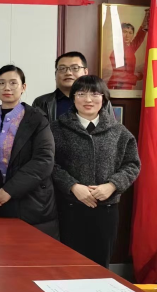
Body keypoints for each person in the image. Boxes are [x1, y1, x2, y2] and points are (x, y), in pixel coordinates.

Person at [51, 75, 140, 267]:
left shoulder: (119, 131)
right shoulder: (56, 129)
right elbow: (50, 164)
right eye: (81, 94)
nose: (88, 100)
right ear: (73, 98)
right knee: (68, 266)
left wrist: (112, 185)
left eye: (95, 94)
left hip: (106, 209)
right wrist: (72, 186)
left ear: (104, 98)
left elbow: (132, 164)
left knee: (100, 266)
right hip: (69, 207)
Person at [0, 65, 59, 238]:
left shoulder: (37, 120)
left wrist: (9, 190)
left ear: (23, 87)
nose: (7, 87)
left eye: (13, 83)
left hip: (29, 201)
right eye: (1, 83)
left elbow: (44, 160)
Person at [33, 51, 113, 122]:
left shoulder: (100, 100)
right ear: (55, 74)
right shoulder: (41, 102)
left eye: (75, 68)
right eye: (62, 68)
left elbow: (111, 130)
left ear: (85, 72)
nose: (68, 73)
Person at [107, 15, 148, 90]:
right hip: (117, 86)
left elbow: (139, 37)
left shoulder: (130, 47)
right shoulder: (117, 51)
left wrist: (147, 17)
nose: (127, 35)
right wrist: (137, 76)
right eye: (125, 32)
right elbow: (120, 75)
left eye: (130, 33)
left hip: (127, 85)